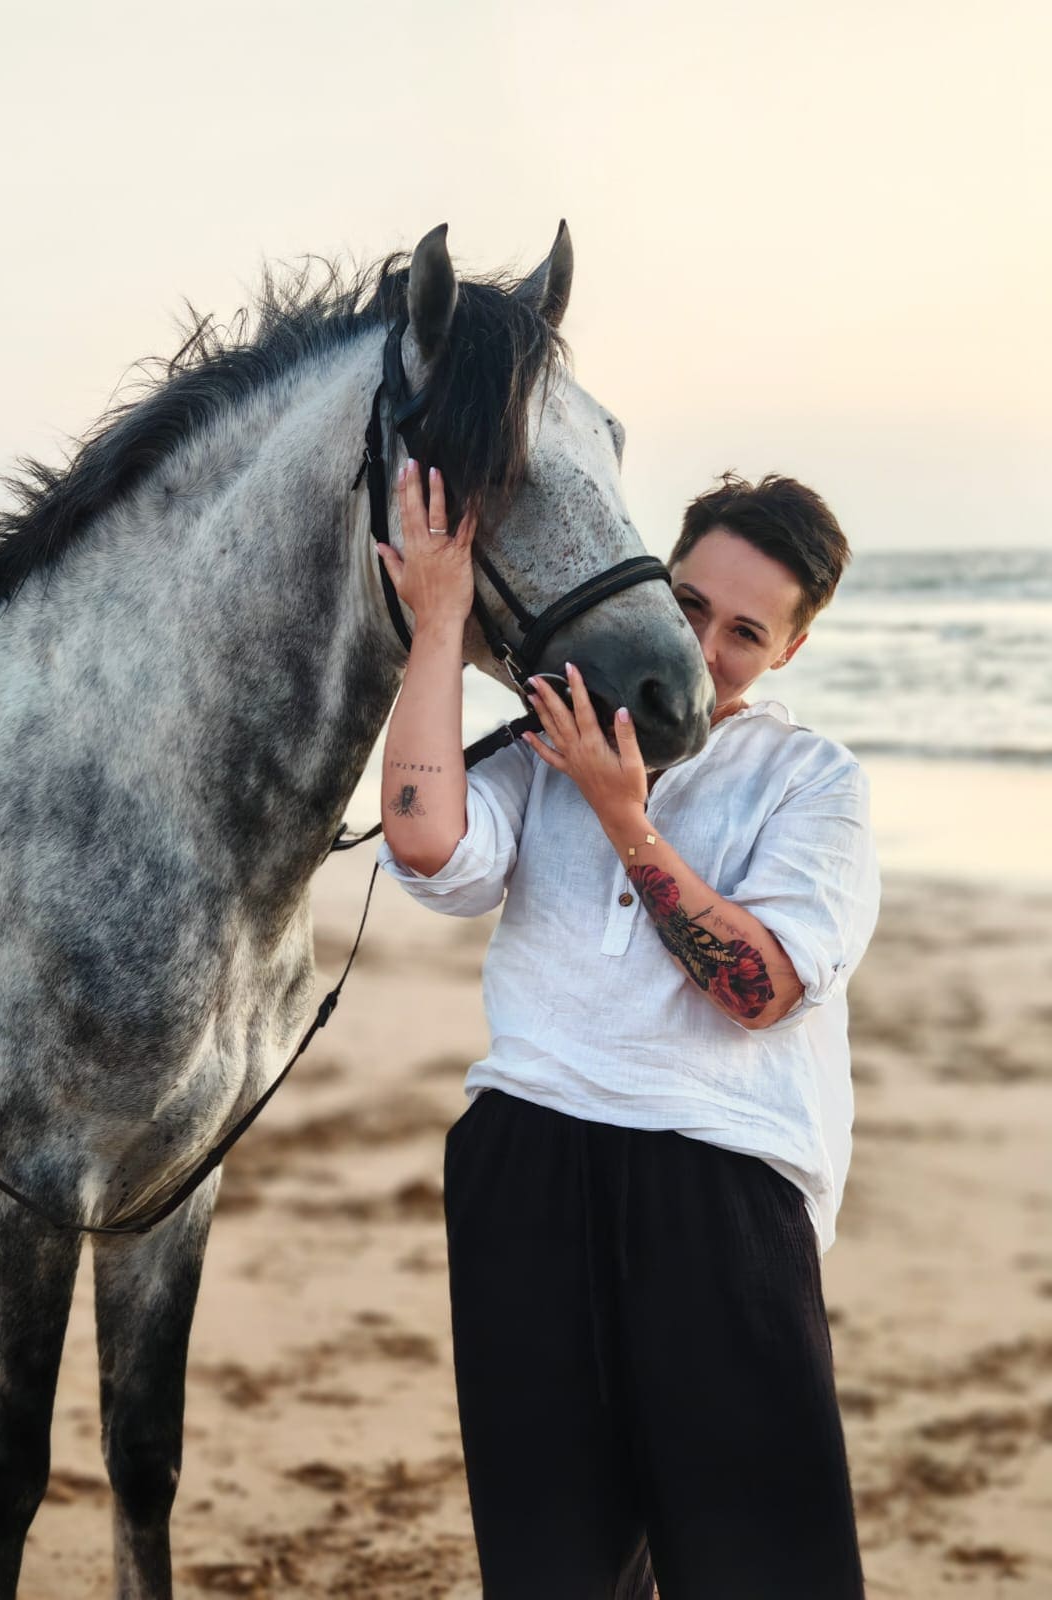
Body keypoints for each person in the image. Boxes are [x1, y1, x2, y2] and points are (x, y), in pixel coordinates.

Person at [374, 458, 880, 1599]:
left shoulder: (812, 783)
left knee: (763, 1569)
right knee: (552, 1567)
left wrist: (623, 814)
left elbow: (755, 987)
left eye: (746, 631)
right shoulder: (541, 740)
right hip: (526, 1167)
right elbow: (425, 841)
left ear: (789, 651)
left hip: (722, 1192)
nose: (704, 650)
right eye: (690, 605)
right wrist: (441, 622)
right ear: (654, 582)